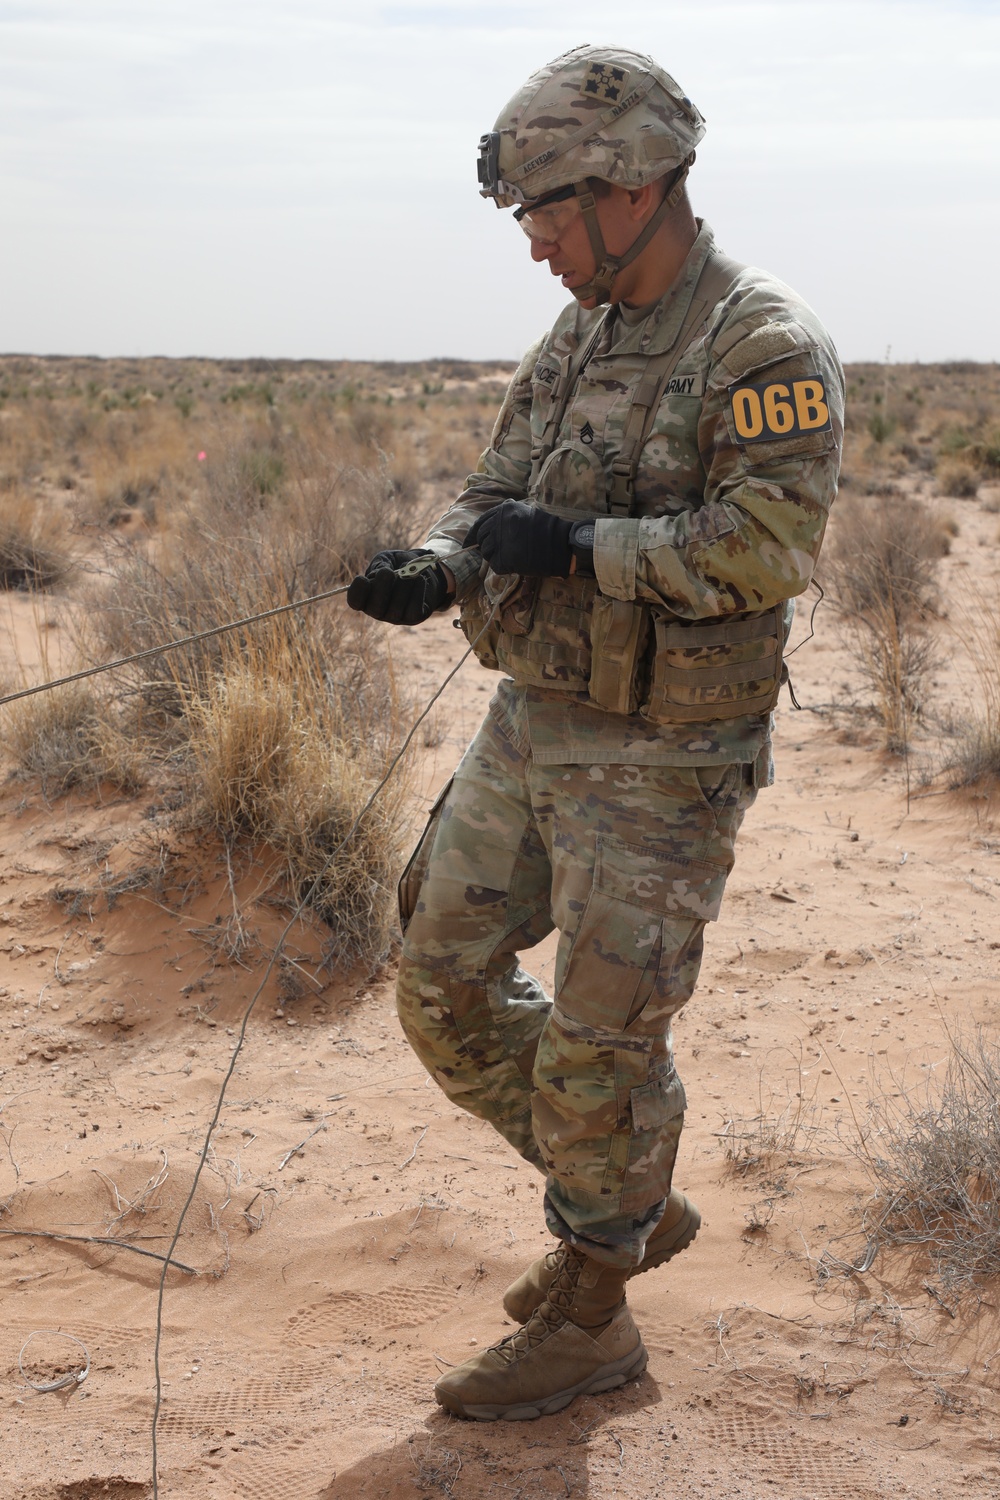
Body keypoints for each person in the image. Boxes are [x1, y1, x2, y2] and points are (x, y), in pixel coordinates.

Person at [348, 43, 843, 1422]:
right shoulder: (583, 334)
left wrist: (575, 548)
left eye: (550, 217)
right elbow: (497, 482)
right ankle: (622, 1196)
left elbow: (766, 547)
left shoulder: (760, 341)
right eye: (527, 222)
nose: (539, 249)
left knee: (599, 1046)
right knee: (437, 976)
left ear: (634, 184)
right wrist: (439, 563)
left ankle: (589, 1313)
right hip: (538, 719)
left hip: (667, 754)